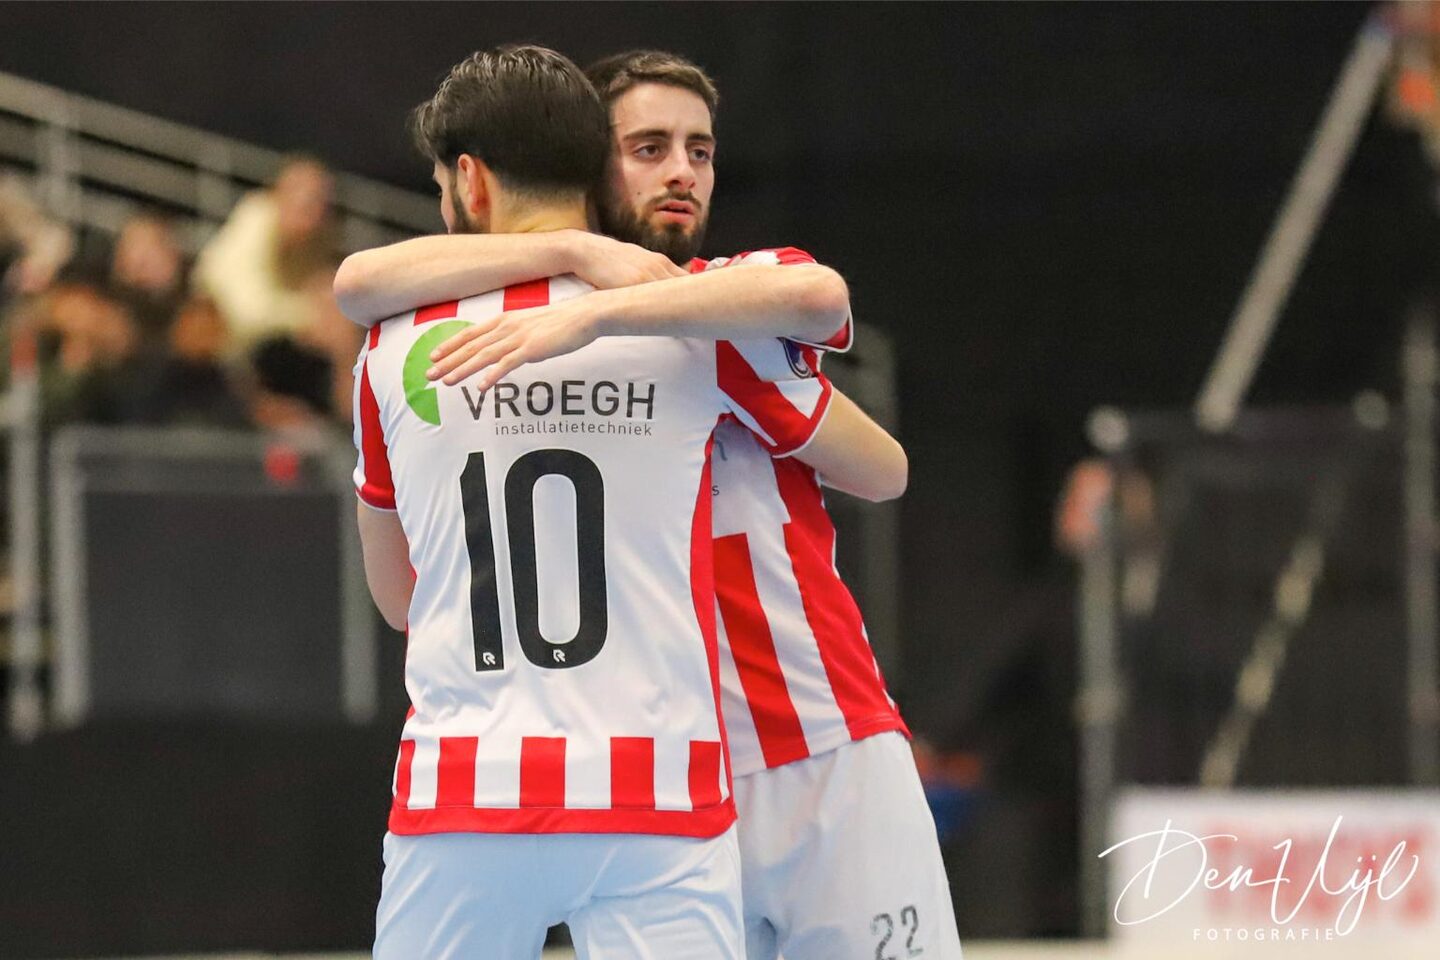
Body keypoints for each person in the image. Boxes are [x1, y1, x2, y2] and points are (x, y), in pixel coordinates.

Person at [337, 48, 962, 960]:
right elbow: (359, 279)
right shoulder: (681, 330)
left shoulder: (716, 306)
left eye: (701, 151)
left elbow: (879, 451)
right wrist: (578, 259)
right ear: (586, 165)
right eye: (649, 148)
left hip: (814, 735)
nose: (681, 172)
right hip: (675, 770)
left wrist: (603, 311)